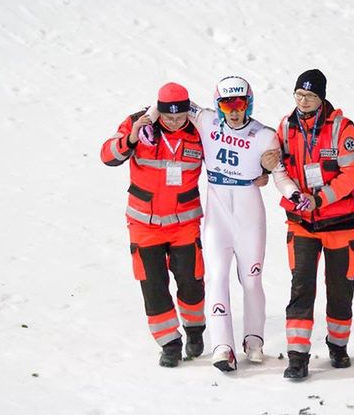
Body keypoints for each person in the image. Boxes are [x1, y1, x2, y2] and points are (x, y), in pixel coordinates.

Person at [147, 76, 297, 372]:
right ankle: (221, 346)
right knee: (216, 278)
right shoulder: (206, 121)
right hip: (217, 215)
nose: (234, 110)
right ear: (218, 106)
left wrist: (294, 194)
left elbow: (279, 175)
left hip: (249, 214)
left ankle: (254, 340)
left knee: (251, 280)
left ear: (249, 103)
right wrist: (145, 124)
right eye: (227, 104)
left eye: (240, 103)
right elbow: (167, 103)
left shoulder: (264, 135)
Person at [100, 82, 206, 368]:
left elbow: (227, 160)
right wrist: (131, 139)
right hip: (144, 223)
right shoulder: (138, 122)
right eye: (168, 117)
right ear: (158, 110)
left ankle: (195, 331)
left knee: (191, 280)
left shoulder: (200, 128)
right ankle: (169, 342)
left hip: (184, 222)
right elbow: (107, 155)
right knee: (154, 285)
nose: (173, 122)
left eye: (179, 117)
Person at [271, 69, 354, 379]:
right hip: (301, 224)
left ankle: (338, 347)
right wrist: (293, 193)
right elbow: (279, 169)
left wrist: (320, 198)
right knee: (301, 289)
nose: (303, 101)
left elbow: (352, 173)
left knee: (340, 290)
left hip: (339, 223)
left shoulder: (342, 128)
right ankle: (297, 356)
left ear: (321, 97)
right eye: (299, 94)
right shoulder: (285, 127)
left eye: (310, 96)